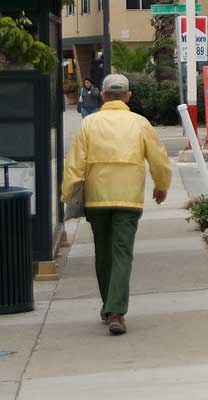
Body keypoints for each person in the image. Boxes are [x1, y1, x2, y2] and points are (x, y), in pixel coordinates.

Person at [61, 74, 172, 336]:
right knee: (122, 253)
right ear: (128, 96)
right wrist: (161, 185)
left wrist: (67, 195)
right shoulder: (140, 123)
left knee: (103, 253)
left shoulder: (90, 124)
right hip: (129, 198)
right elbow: (159, 159)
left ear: (102, 95)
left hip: (97, 198)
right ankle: (116, 311)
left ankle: (108, 305)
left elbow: (74, 164)